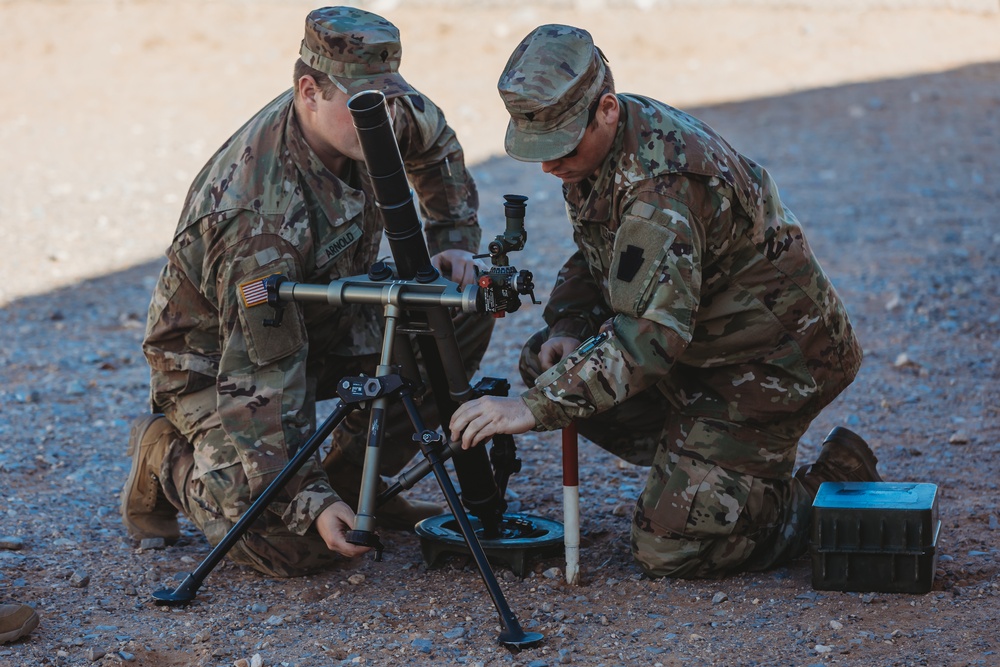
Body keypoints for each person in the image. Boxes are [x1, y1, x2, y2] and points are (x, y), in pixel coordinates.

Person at [449, 24, 882, 579]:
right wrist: (570, 323)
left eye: (559, 148)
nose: (548, 166)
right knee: (548, 360)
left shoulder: (663, 187)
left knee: (670, 549)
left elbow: (648, 341)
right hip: (699, 351)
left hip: (768, 370)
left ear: (605, 109)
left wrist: (531, 409)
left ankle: (821, 486)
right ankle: (709, 470)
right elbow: (595, 255)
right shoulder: (601, 145)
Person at [122, 6, 493, 578]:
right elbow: (263, 381)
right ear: (308, 90)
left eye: (389, 98)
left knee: (454, 310)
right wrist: (308, 501)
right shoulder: (257, 218)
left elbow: (434, 140)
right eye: (364, 102)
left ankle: (357, 486)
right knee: (290, 547)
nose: (385, 117)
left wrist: (454, 240)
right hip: (218, 365)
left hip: (327, 317)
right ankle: (165, 458)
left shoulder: (375, 110)